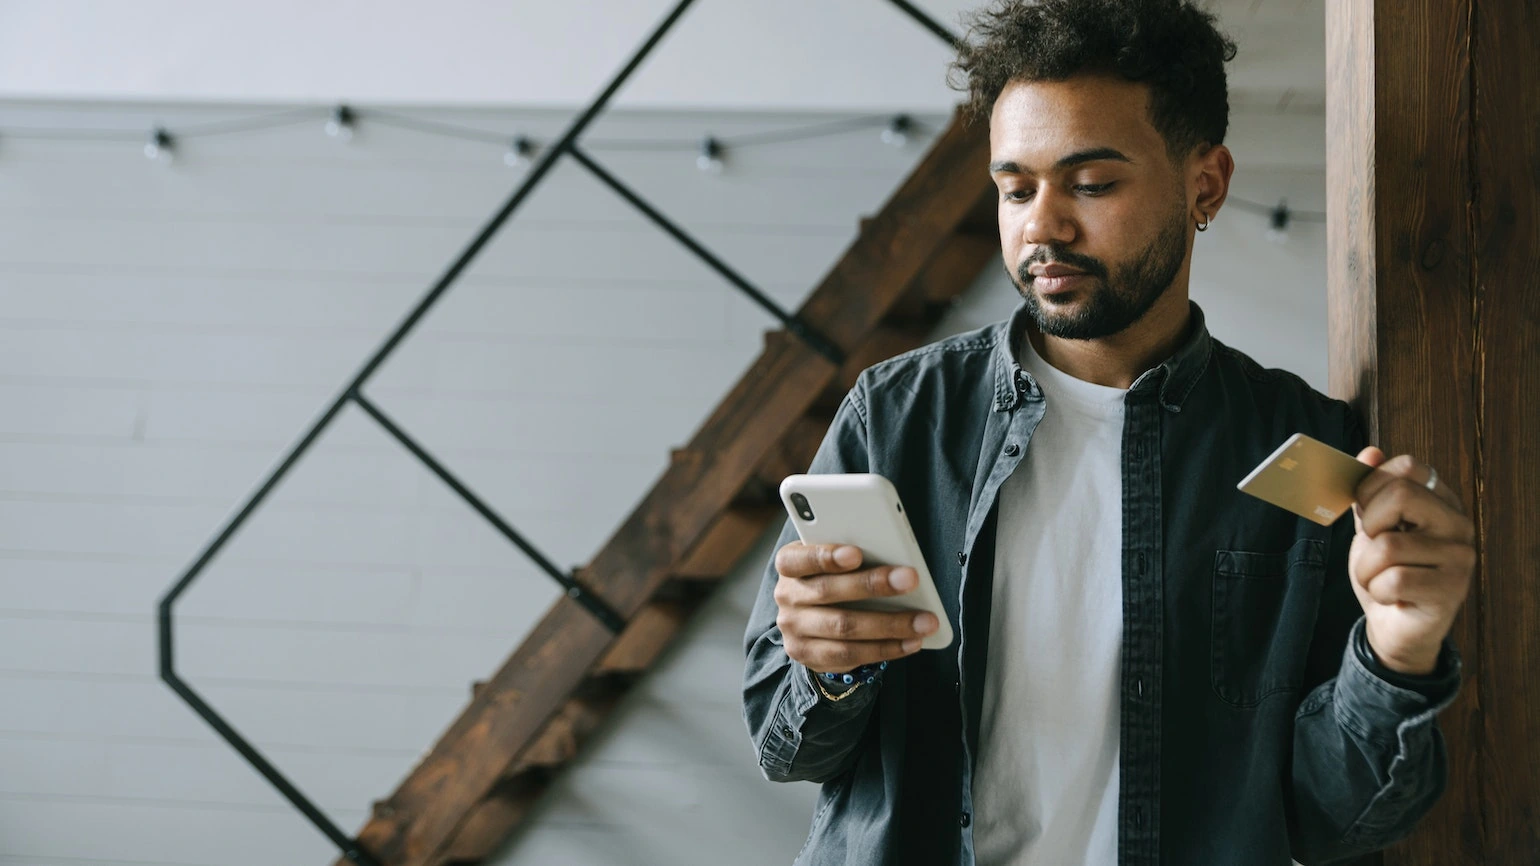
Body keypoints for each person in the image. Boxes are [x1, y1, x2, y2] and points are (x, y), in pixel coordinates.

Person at [741, 1, 1475, 864]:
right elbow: (788, 750)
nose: (1041, 226)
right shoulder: (898, 416)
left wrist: (1399, 651)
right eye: (1016, 189)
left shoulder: (1305, 441)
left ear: (1205, 184)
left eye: (1090, 185)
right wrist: (827, 666)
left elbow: (1333, 820)